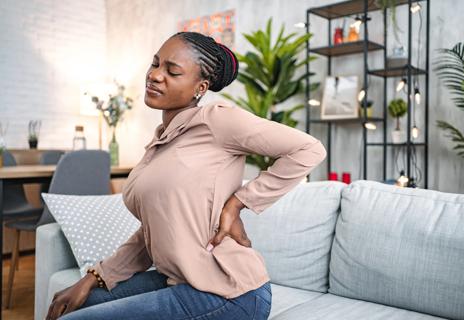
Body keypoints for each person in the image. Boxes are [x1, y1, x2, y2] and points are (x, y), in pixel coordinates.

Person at [46, 31, 326, 320]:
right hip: (183, 280)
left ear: (200, 87)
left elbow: (308, 149)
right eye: (155, 64)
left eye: (172, 71)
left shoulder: (218, 120)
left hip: (232, 293)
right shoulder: (160, 142)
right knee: (74, 303)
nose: (154, 75)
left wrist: (238, 203)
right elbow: (154, 231)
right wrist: (94, 276)